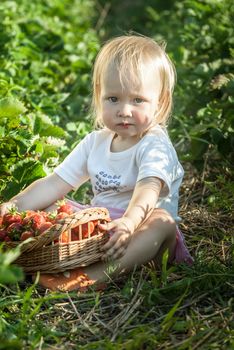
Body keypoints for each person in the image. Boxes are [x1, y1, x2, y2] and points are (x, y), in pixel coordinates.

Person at [0, 34, 193, 291]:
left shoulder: (155, 144)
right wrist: (13, 207)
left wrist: (128, 223)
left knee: (162, 221)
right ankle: (51, 262)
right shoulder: (95, 142)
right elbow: (56, 182)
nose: (124, 110)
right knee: (54, 206)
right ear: (99, 97)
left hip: (145, 242)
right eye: (113, 99)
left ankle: (91, 278)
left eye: (137, 100)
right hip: (101, 232)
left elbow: (149, 189)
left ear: (161, 103)